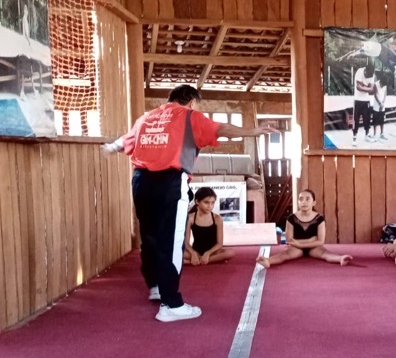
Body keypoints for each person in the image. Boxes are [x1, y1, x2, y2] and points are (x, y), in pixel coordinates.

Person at [103, 84, 275, 323]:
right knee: (172, 243)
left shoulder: (147, 117)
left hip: (140, 181)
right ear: (192, 102)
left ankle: (156, 286)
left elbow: (122, 143)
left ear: (169, 99)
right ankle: (171, 304)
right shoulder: (188, 116)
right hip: (169, 182)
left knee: (150, 237)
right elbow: (222, 128)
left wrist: (110, 147)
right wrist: (253, 131)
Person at [257, 189, 351, 267]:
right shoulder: (291, 218)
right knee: (285, 254)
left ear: (314, 202)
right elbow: (289, 240)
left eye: (307, 199)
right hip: (297, 248)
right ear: (298, 202)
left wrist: (298, 243)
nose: (304, 202)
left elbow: (321, 241)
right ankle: (268, 261)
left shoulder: (319, 219)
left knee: (325, 254)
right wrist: (311, 240)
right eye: (301, 199)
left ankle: (340, 258)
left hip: (313, 247)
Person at [183, 187, 235, 266]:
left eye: (212, 203)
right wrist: (193, 253)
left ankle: (197, 261)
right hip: (196, 251)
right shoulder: (190, 218)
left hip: (213, 252)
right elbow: (186, 243)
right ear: (197, 201)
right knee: (175, 253)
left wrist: (208, 253)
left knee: (230, 252)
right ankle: (206, 259)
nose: (210, 206)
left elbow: (219, 244)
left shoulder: (217, 219)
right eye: (206, 202)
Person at [352, 64, 375, 146]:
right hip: (358, 99)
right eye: (368, 74)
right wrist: (367, 88)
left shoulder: (372, 74)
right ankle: (354, 137)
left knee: (367, 119)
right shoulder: (359, 71)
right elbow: (358, 87)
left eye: (370, 75)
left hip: (366, 100)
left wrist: (363, 86)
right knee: (356, 120)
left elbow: (372, 90)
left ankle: (367, 135)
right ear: (365, 70)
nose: (369, 76)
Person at [371, 70, 388, 141]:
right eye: (382, 84)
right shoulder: (375, 84)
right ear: (380, 81)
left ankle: (382, 134)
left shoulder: (385, 86)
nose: (382, 86)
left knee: (382, 121)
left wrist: (383, 103)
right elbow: (375, 95)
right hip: (376, 105)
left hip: (382, 105)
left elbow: (385, 94)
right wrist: (379, 103)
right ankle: (374, 134)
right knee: (375, 121)